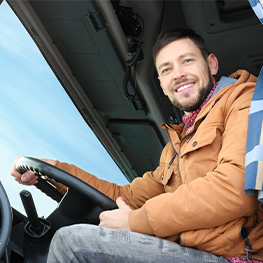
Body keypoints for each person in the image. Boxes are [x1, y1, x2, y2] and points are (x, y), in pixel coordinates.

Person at [11, 28, 263, 263]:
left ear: (211, 64)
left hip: (234, 256)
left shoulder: (243, 99)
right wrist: (55, 169)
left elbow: (237, 188)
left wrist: (137, 221)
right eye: (166, 70)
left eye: (187, 61)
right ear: (163, 86)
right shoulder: (175, 148)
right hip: (190, 252)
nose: (178, 74)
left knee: (72, 243)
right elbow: (126, 197)